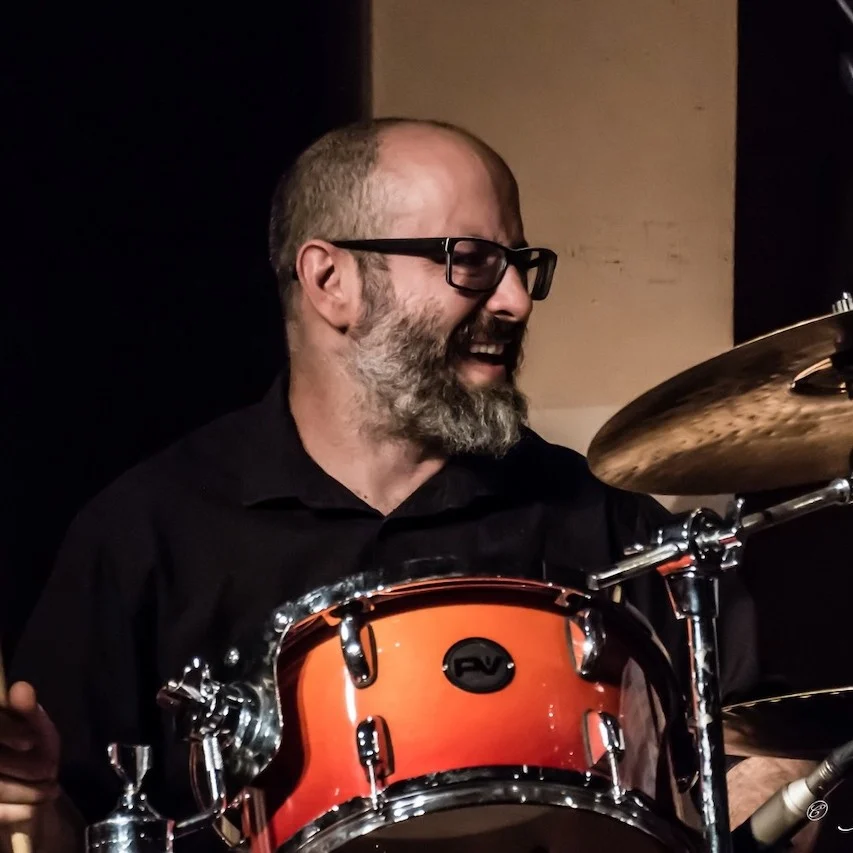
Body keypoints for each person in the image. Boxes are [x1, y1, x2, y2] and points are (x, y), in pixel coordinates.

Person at [0, 118, 817, 852]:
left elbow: (758, 744)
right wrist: (31, 808)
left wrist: (775, 786)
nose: (515, 300)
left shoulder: (606, 525)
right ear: (330, 281)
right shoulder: (148, 532)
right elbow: (68, 820)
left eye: (521, 265)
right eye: (471, 261)